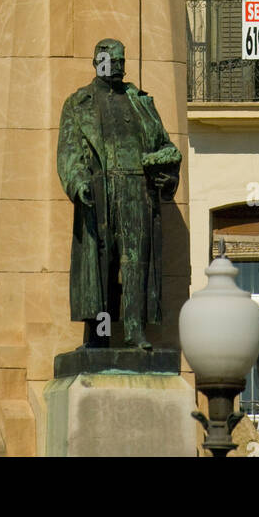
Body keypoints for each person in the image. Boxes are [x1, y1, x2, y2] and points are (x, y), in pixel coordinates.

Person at [57, 39, 181, 350]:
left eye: (123, 60)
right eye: (114, 60)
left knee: (135, 263)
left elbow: (165, 145)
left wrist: (166, 167)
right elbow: (69, 152)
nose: (120, 66)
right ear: (97, 62)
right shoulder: (78, 104)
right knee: (102, 265)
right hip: (100, 191)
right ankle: (98, 336)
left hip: (137, 189)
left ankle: (135, 332)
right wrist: (78, 182)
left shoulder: (140, 102)